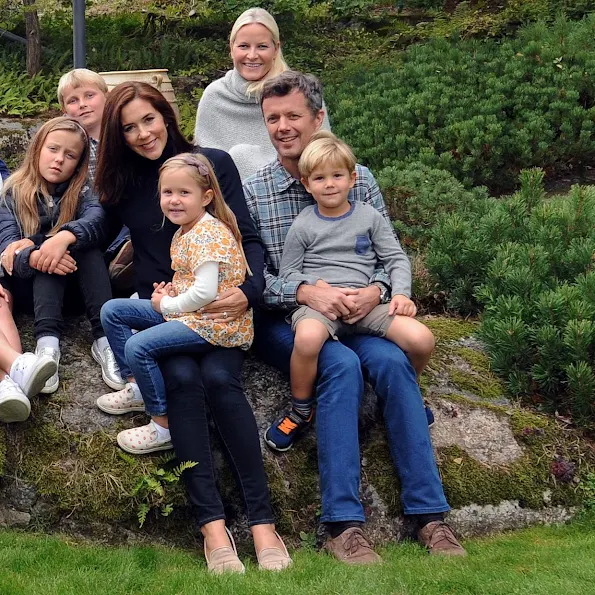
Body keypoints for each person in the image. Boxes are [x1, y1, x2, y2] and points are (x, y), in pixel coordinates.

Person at [243, 71, 466, 563]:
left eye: (293, 116)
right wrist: (307, 292)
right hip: (288, 321)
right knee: (340, 367)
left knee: (392, 364)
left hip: (358, 312)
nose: (283, 126)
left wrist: (377, 292)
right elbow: (256, 284)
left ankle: (430, 517)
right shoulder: (256, 191)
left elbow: (389, 257)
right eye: (272, 118)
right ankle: (342, 525)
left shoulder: (360, 178)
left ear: (318, 118)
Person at [94, 81, 291, 573]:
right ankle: (214, 530)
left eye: (149, 119)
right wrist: (55, 241)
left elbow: (247, 236)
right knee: (181, 382)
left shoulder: (211, 165)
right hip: (166, 308)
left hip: (222, 309)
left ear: (167, 115)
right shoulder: (121, 183)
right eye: (129, 127)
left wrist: (247, 292)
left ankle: (263, 526)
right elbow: (96, 229)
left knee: (222, 382)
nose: (142, 133)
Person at [264, 131, 435, 451]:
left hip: (366, 304)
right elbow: (288, 273)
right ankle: (301, 408)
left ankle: (403, 396)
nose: (329, 184)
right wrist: (316, 289)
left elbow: (395, 258)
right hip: (321, 306)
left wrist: (400, 294)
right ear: (306, 184)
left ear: (352, 178)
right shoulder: (302, 224)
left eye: (337, 175)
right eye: (319, 178)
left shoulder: (369, 218)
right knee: (307, 339)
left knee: (421, 339)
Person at [97, 153, 253, 456]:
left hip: (215, 324)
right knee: (112, 311)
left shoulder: (207, 234)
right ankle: (140, 388)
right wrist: (170, 292)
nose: (174, 200)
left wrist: (166, 304)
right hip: (191, 314)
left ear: (206, 197)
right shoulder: (187, 230)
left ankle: (163, 425)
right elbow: (193, 283)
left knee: (138, 346)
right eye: (168, 193)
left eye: (185, 193)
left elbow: (206, 293)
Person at [0, 116, 123, 394]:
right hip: (30, 294)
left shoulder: (84, 191)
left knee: (85, 245)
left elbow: (98, 222)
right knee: (46, 257)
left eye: (70, 155)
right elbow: (6, 251)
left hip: (77, 294)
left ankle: (105, 341)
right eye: (53, 149)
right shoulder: (12, 194)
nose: (59, 160)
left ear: (79, 163)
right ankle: (47, 346)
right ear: (37, 149)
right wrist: (37, 252)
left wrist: (63, 238)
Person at [194, 7, 330, 180]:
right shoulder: (214, 97)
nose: (252, 55)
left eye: (262, 46)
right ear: (231, 48)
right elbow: (203, 168)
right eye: (243, 46)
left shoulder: (302, 92)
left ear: (276, 48)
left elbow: (326, 155)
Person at [58, 68, 133, 291]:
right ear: (64, 111)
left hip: (125, 208)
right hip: (89, 213)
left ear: (107, 97)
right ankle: (117, 258)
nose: (82, 104)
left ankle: (124, 254)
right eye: (73, 100)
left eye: (89, 96)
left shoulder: (124, 136)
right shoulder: (69, 144)